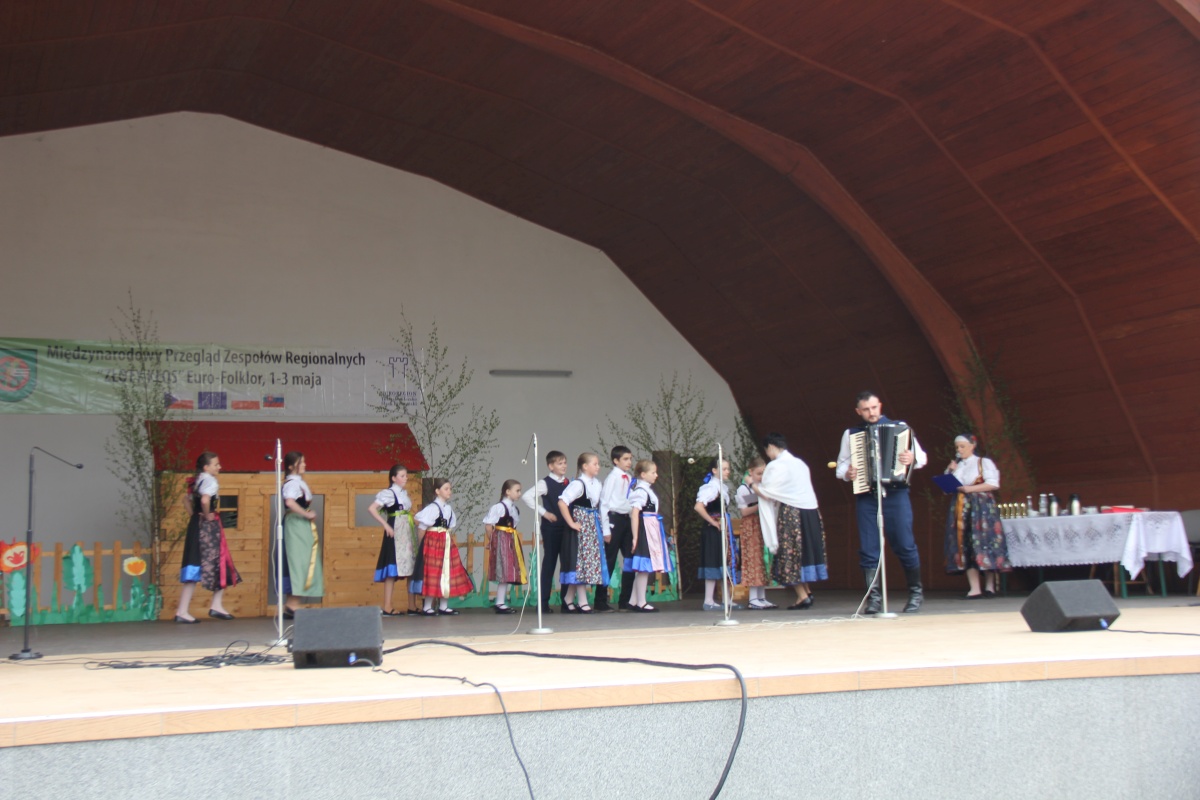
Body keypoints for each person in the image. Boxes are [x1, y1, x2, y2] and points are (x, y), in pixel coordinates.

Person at [836, 391, 927, 614]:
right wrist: (848, 473)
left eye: (874, 407)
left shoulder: (900, 427)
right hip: (867, 495)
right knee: (869, 548)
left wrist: (911, 458)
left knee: (904, 543)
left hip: (896, 493)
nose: (872, 413)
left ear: (880, 406)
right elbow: (841, 467)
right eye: (866, 409)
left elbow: (922, 458)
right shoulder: (852, 434)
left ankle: (916, 593)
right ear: (858, 411)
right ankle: (873, 599)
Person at [756, 433, 827, 610]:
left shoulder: (776, 465)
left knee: (790, 553)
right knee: (803, 552)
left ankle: (802, 596)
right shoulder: (800, 463)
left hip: (792, 513)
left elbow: (767, 493)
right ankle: (807, 592)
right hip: (811, 512)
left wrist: (752, 484)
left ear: (771, 446)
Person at [175, 451, 240, 623]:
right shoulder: (210, 481)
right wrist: (206, 515)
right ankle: (214, 605)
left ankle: (183, 610)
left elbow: (186, 500)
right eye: (216, 464)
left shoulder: (197, 480)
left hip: (195, 525)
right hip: (207, 527)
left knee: (193, 564)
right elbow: (205, 500)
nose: (219, 467)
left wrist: (194, 515)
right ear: (206, 467)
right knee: (221, 561)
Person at [943, 433, 1009, 598]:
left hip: (981, 507)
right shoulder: (957, 466)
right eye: (957, 447)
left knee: (986, 541)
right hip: (961, 507)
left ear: (972, 446)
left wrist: (970, 489)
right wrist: (949, 472)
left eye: (962, 446)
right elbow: (946, 489)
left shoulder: (983, 462)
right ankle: (974, 588)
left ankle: (990, 586)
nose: (959, 450)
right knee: (965, 543)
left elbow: (993, 483)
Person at [412, 478, 473, 616]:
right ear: (437, 491)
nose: (449, 491)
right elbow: (422, 528)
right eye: (446, 489)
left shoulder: (448, 509)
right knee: (433, 572)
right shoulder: (432, 508)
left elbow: (449, 527)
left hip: (445, 542)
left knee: (447, 571)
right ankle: (427, 606)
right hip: (433, 543)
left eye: (450, 489)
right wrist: (422, 546)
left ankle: (444, 606)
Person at [521, 450, 571, 614]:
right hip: (551, 528)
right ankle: (542, 603)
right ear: (551, 466)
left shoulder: (568, 482)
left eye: (564, 463)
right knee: (550, 562)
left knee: (566, 563)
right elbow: (527, 496)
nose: (563, 466)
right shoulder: (545, 483)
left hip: (566, 527)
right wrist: (545, 513)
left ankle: (566, 601)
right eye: (559, 463)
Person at [557, 452, 607, 613]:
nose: (598, 467)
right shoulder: (578, 484)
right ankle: (582, 601)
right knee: (581, 562)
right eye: (595, 464)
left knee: (587, 561)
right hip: (581, 524)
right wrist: (571, 522)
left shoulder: (597, 484)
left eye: (598, 464)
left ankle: (568, 599)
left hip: (592, 524)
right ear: (585, 466)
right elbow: (562, 502)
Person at [626, 459, 672, 612]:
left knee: (644, 566)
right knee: (643, 567)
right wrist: (635, 537)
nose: (656, 475)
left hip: (650, 528)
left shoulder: (646, 490)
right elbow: (635, 514)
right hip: (644, 529)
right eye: (653, 472)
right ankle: (641, 602)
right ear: (643, 474)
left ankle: (633, 600)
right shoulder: (640, 492)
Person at [368, 464, 415, 616]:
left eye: (406, 475)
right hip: (395, 529)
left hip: (407, 530)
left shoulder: (404, 493)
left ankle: (412, 605)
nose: (405, 478)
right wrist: (386, 525)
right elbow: (372, 508)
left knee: (410, 565)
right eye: (402, 476)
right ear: (393, 478)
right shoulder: (389, 493)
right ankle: (387, 605)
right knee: (392, 566)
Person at [695, 457, 741, 611]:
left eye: (728, 469)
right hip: (713, 530)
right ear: (714, 470)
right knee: (713, 561)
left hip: (722, 529)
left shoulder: (721, 487)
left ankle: (726, 599)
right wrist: (713, 522)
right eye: (724, 469)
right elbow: (698, 506)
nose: (728, 472)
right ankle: (708, 600)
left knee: (723, 561)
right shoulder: (711, 487)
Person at [281, 451, 323, 619]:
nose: (304, 465)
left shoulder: (297, 482)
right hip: (295, 524)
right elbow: (289, 502)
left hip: (301, 525)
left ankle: (292, 604)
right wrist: (306, 514)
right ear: (292, 466)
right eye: (301, 462)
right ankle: (292, 604)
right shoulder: (292, 483)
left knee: (302, 561)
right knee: (299, 561)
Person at [597, 445, 635, 612]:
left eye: (630, 459)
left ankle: (625, 600)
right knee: (609, 560)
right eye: (625, 459)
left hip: (626, 519)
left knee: (630, 559)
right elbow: (604, 503)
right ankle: (600, 600)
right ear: (616, 460)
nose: (629, 462)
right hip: (614, 519)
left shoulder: (629, 477)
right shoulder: (612, 478)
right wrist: (606, 529)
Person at [736, 458, 775, 610]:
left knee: (762, 559)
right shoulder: (744, 489)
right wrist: (761, 505)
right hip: (751, 525)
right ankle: (753, 598)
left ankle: (761, 596)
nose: (761, 476)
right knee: (753, 559)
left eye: (764, 473)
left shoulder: (762, 487)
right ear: (750, 472)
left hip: (761, 524)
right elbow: (744, 511)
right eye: (759, 473)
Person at [485, 479, 527, 614]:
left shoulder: (514, 508)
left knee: (508, 569)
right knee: (504, 569)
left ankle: (501, 601)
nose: (519, 493)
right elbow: (488, 525)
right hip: (502, 539)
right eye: (517, 491)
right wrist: (492, 540)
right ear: (508, 492)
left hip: (510, 539)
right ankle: (500, 602)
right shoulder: (499, 507)